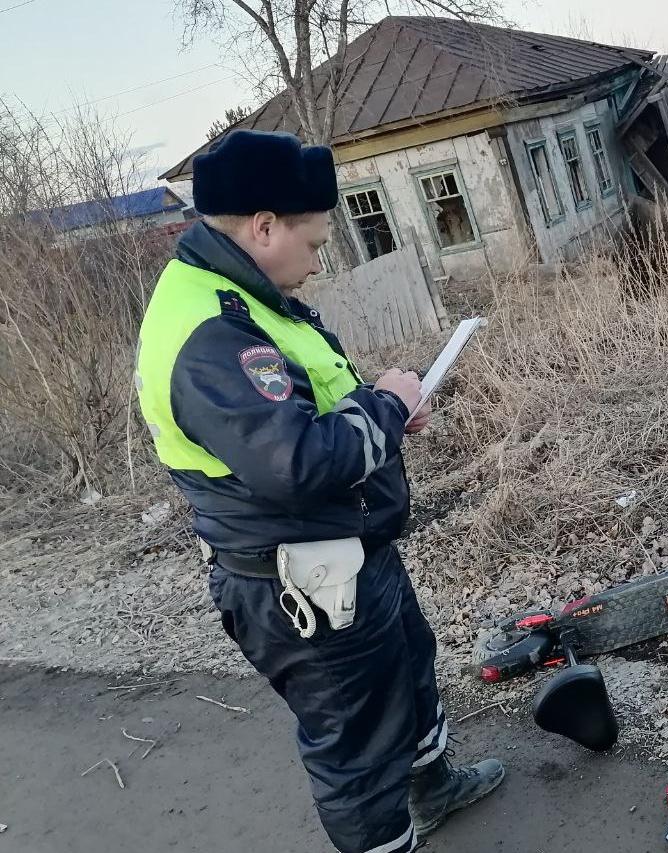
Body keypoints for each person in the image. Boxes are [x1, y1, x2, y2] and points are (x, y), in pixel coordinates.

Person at [134, 129, 504, 853]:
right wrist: (385, 410)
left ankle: (434, 789)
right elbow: (297, 460)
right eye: (313, 243)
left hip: (351, 550)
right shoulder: (209, 331)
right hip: (299, 582)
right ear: (264, 226)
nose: (319, 259)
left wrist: (382, 407)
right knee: (357, 746)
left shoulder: (246, 292)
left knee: (409, 674)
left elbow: (301, 406)